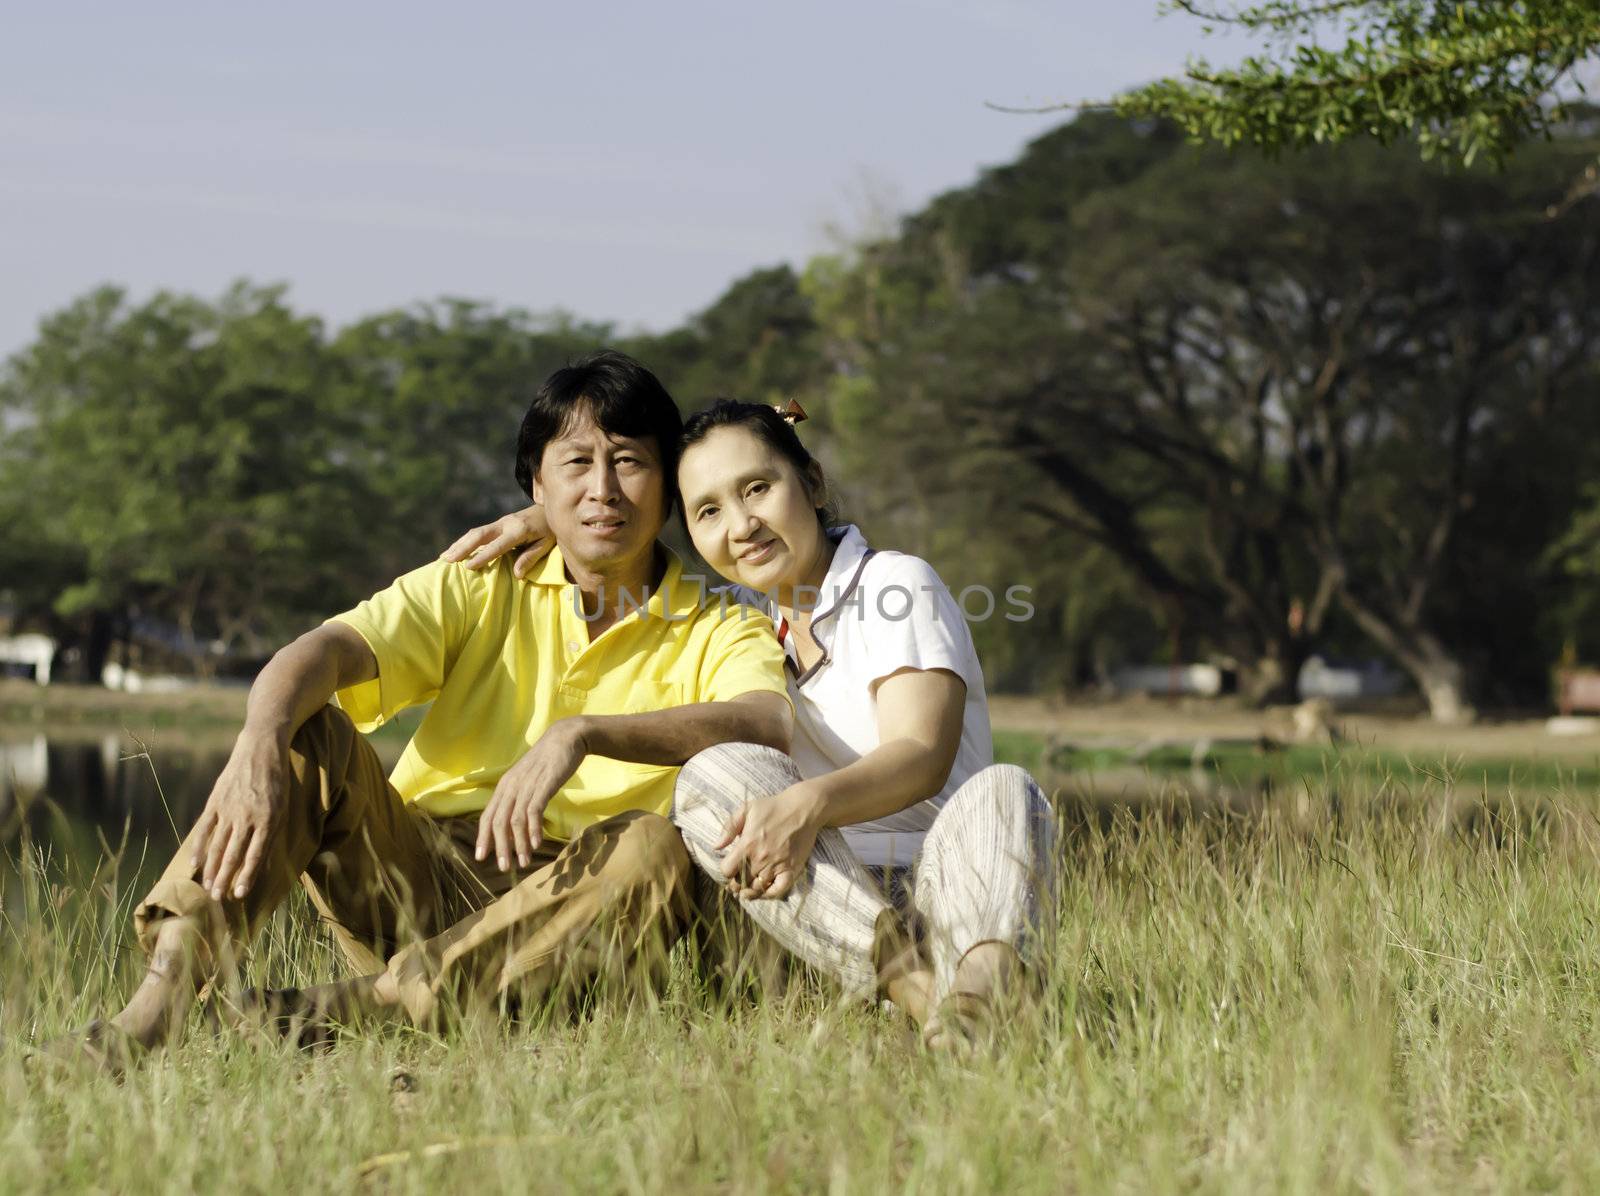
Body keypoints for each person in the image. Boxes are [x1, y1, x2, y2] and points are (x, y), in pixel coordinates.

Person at [36, 354, 792, 1072]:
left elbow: (765, 719)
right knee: (305, 733)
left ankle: (369, 1007)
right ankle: (156, 1006)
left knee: (653, 845)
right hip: (415, 882)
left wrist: (583, 733)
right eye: (576, 463)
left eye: (629, 461)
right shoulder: (479, 581)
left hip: (570, 929)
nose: (604, 489)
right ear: (536, 485)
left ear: (666, 486)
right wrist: (255, 744)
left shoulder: (722, 623)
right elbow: (328, 650)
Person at [445, 399, 1057, 1049]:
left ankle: (979, 997)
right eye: (708, 511)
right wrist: (547, 515)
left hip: (944, 887)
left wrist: (808, 804)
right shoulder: (733, 621)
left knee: (1004, 791)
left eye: (759, 488)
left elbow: (922, 752)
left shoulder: (895, 585)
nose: (741, 525)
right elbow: (630, 531)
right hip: (815, 912)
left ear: (813, 483)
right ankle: (924, 994)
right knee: (712, 773)